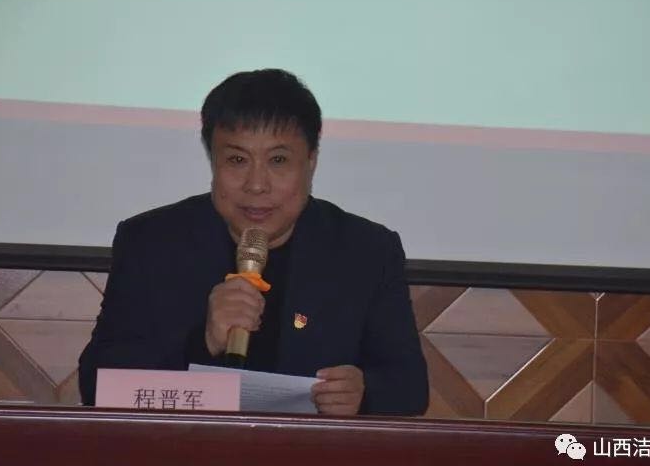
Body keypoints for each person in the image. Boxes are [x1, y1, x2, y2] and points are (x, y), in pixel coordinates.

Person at [78, 69, 428, 415]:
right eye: (237, 160)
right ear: (213, 161)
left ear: (311, 161)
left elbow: (409, 388)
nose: (256, 185)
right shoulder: (151, 243)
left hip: (308, 451)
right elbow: (96, 385)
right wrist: (201, 343)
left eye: (278, 160)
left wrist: (363, 394)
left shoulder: (366, 251)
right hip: (188, 448)